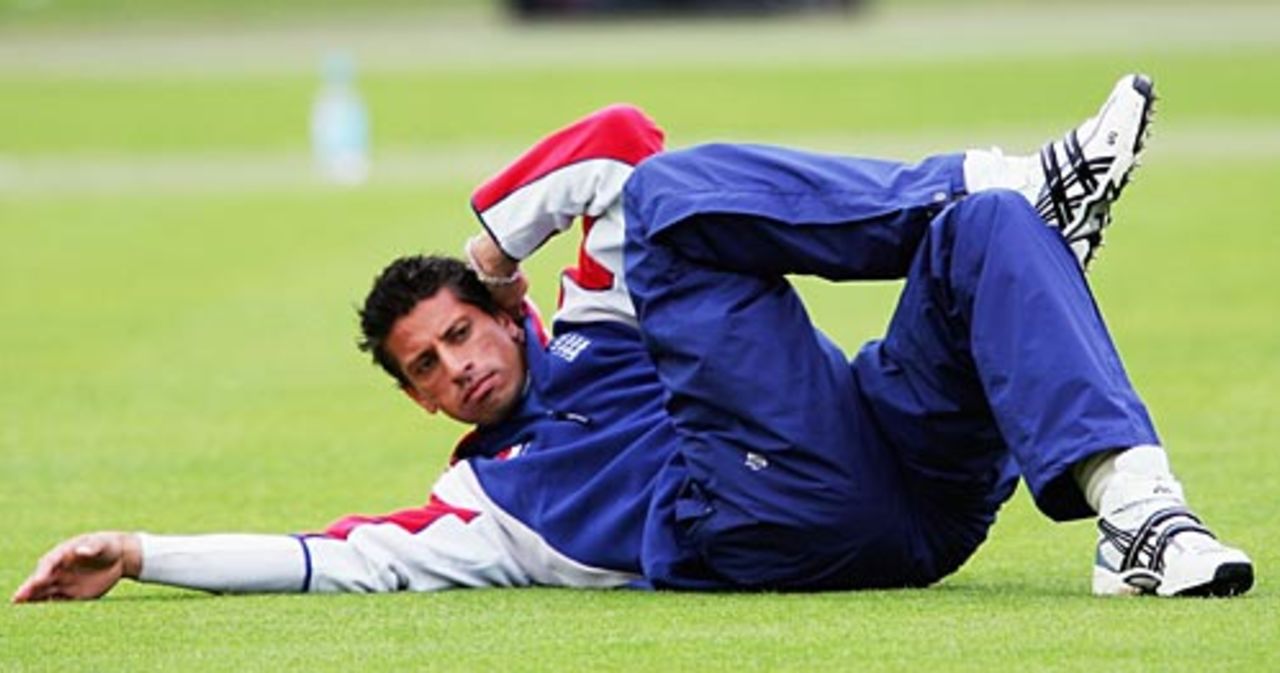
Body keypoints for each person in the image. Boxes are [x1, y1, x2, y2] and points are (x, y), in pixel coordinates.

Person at [12, 75, 1254, 603]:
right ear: (420, 403)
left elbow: (618, 137)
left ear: (508, 311)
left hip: (919, 494)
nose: (456, 367)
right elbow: (310, 560)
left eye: (460, 331)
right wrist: (142, 551)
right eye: (425, 368)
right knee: (672, 211)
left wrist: (494, 245)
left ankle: (1142, 522)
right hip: (771, 522)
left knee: (983, 235)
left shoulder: (594, 330)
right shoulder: (477, 508)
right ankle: (1002, 182)